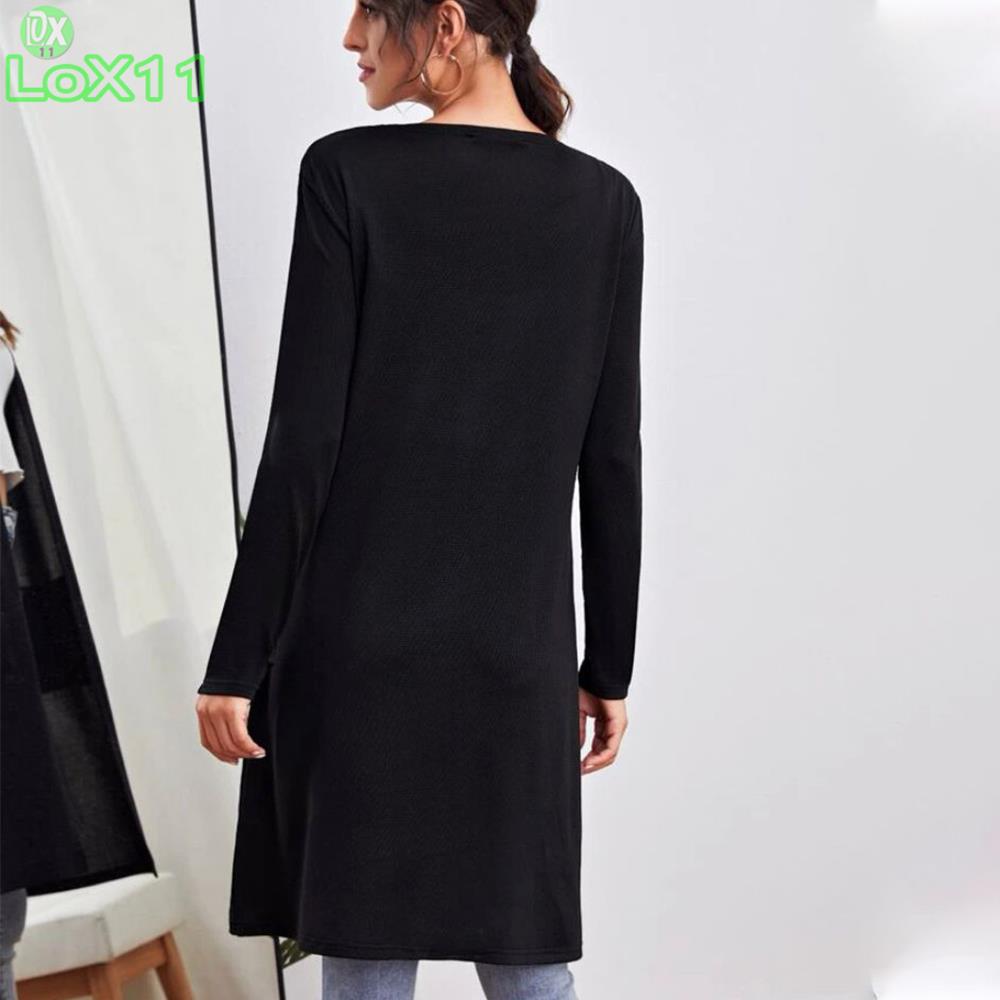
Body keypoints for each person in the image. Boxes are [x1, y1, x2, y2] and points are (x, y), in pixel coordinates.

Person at [195, 2, 644, 998]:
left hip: (356, 647)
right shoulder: (604, 203)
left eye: (367, 10)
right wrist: (606, 663)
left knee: (363, 950)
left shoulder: (348, 174)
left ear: (444, 23)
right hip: (515, 654)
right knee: (528, 956)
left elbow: (304, 442)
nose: (350, 37)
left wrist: (236, 658)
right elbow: (611, 456)